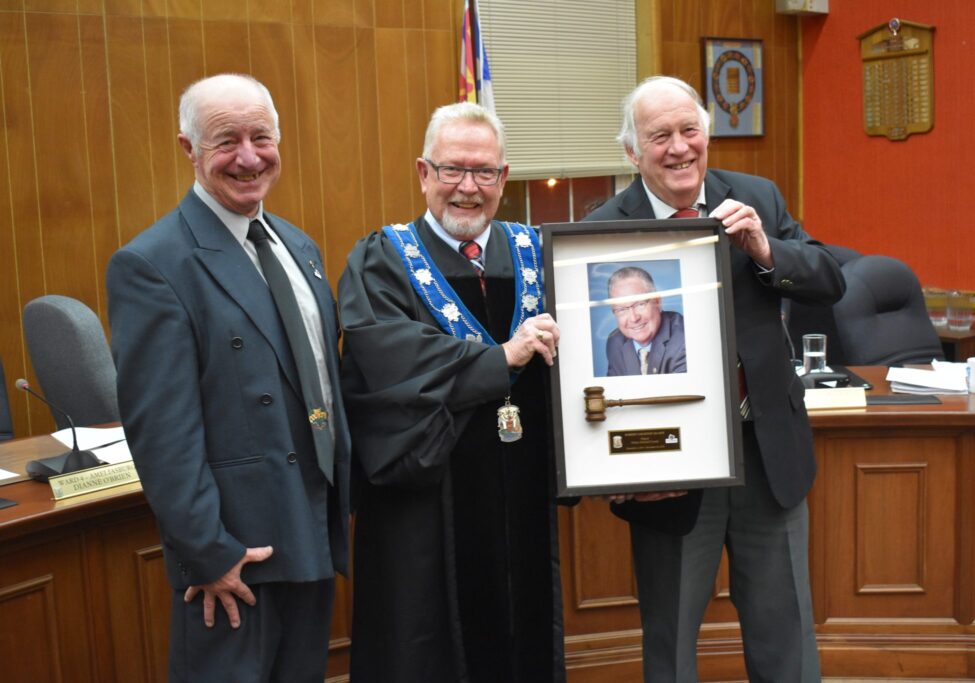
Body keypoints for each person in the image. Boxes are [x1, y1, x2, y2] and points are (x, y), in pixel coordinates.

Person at [584, 75, 845, 682]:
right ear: (631, 151)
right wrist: (612, 469)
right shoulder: (601, 228)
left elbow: (829, 278)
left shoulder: (755, 196)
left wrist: (764, 247)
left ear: (707, 134)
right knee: (671, 647)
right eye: (660, 137)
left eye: (689, 130)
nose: (679, 148)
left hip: (766, 456)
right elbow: (588, 371)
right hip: (667, 472)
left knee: (787, 643)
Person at [107, 73, 350, 682]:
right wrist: (209, 554)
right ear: (188, 150)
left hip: (310, 532)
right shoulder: (153, 265)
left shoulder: (299, 247)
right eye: (225, 141)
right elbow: (162, 431)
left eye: (261, 136)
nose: (248, 157)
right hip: (235, 559)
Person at [338, 102, 565, 683]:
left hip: (523, 495)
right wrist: (501, 359)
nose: (468, 188)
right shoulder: (383, 260)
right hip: (429, 504)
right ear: (423, 173)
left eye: (484, 172)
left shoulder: (540, 255)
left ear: (503, 178)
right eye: (452, 170)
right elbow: (388, 362)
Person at [606, 265, 686, 376]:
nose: (634, 318)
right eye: (621, 309)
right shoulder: (615, 342)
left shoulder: (685, 338)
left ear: (657, 302)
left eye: (640, 304)